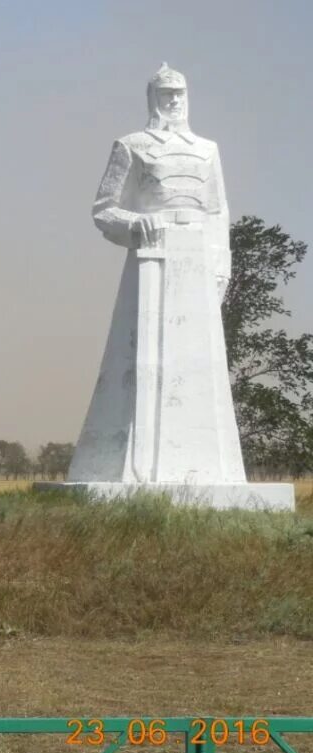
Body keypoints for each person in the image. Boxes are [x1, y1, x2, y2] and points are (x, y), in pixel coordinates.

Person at [67, 64, 246, 484]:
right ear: (152, 98)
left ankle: (210, 469)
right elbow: (104, 209)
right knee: (140, 364)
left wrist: (222, 262)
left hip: (198, 260)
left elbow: (218, 210)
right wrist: (134, 223)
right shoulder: (131, 145)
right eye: (166, 93)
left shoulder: (207, 149)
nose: (174, 100)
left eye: (180, 93)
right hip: (151, 259)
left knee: (205, 371)